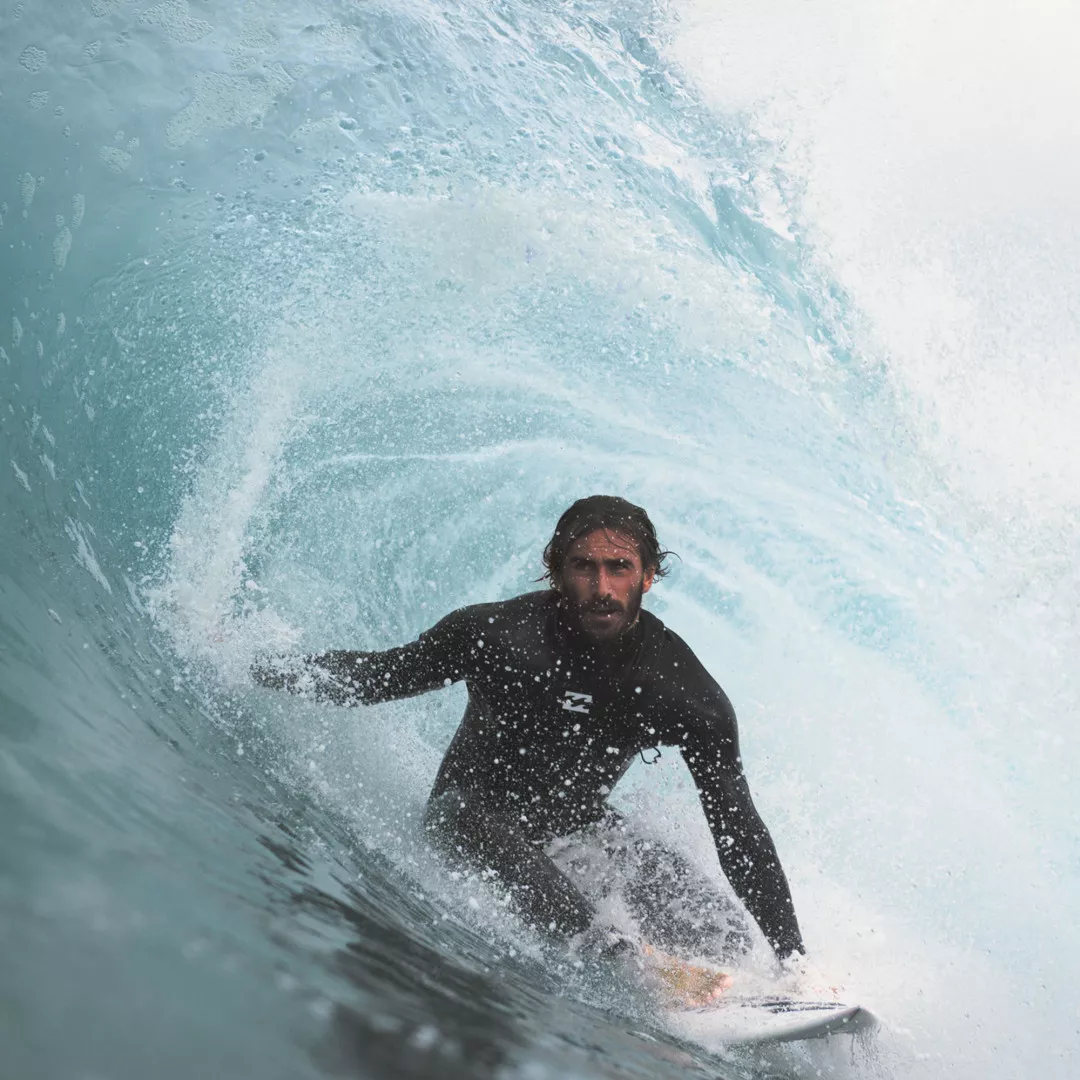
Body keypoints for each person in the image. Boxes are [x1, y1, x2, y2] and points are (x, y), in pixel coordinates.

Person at [253, 495, 804, 998]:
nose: (602, 587)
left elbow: (739, 830)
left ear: (649, 575)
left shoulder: (681, 691)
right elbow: (379, 677)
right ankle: (638, 967)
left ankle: (781, 984)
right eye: (584, 566)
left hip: (576, 832)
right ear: (556, 571)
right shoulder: (497, 636)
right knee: (485, 828)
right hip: (468, 818)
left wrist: (793, 958)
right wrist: (258, 665)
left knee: (729, 937)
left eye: (620, 567)